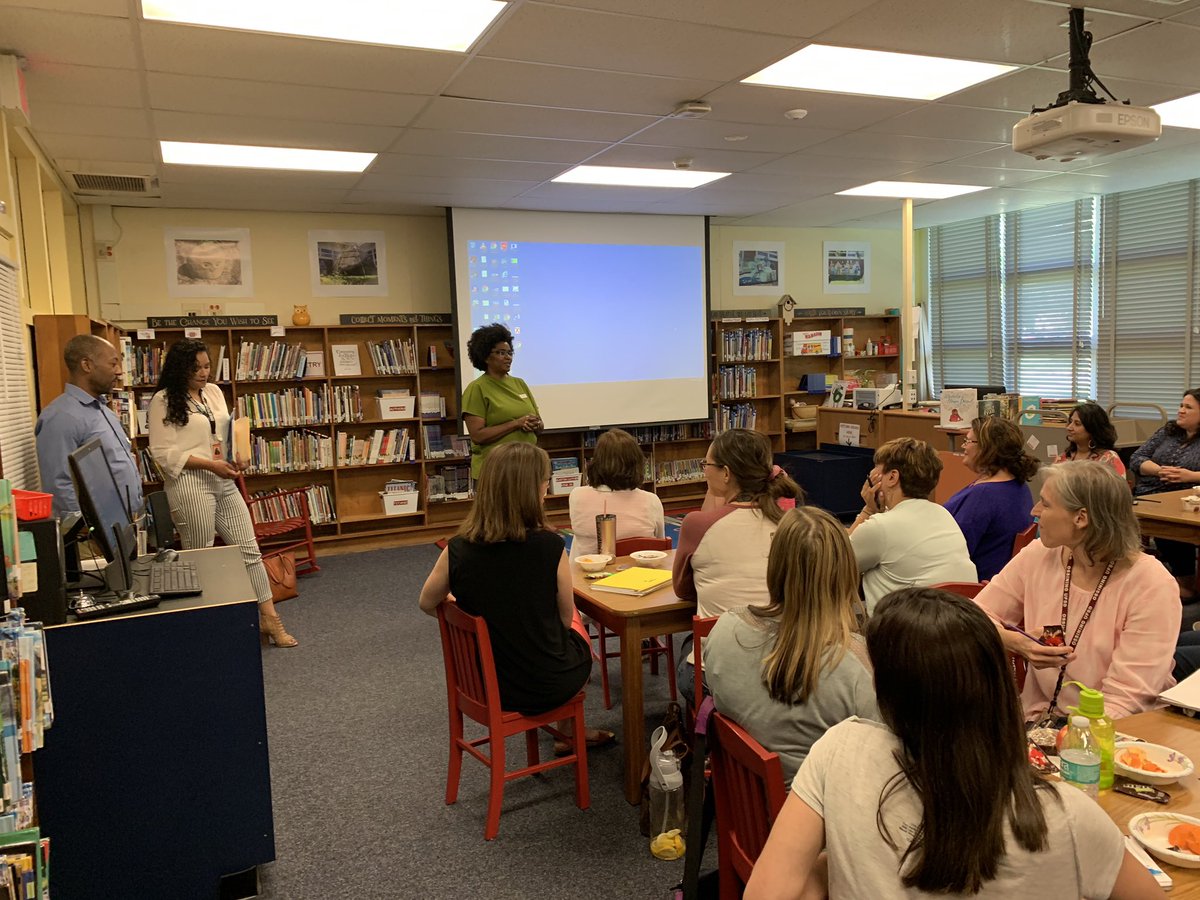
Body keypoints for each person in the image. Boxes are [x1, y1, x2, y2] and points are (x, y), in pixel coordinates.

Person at [745, 586, 1163, 900]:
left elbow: (766, 893)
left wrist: (836, 861)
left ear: (886, 689)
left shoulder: (839, 750)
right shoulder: (1068, 819)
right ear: (1000, 684)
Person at [418, 442, 612, 754]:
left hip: (482, 684)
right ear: (533, 490)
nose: (547, 489)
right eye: (544, 482)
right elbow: (564, 620)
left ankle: (567, 730)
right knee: (576, 622)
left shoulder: (457, 549)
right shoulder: (549, 547)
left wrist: (467, 613)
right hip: (546, 683)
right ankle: (568, 731)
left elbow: (428, 603)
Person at [976, 461, 1179, 721]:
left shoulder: (1151, 584)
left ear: (1081, 518)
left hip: (1116, 733)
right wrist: (1016, 642)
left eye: (1046, 504)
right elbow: (975, 616)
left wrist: (1069, 743)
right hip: (1040, 720)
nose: (1034, 511)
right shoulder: (1040, 555)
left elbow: (1127, 698)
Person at [702, 506, 877, 788]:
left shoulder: (725, 628)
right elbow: (878, 758)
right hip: (819, 819)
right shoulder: (854, 664)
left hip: (746, 802)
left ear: (774, 565)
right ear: (845, 572)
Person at [147, 339, 297, 648]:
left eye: (206, 366)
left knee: (249, 550)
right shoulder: (163, 400)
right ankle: (204, 625)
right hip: (190, 483)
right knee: (201, 554)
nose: (203, 373)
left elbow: (223, 432)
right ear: (180, 369)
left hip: (223, 479)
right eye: (196, 368)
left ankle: (270, 619)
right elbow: (162, 453)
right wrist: (210, 465)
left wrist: (234, 455)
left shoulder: (213, 392)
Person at [672, 428, 803, 701]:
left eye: (707, 464)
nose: (704, 470)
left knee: (688, 648)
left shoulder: (697, 524)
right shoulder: (792, 523)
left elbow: (683, 590)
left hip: (721, 668)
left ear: (727, 474)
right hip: (787, 663)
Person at [849, 437, 976, 612]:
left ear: (892, 477)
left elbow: (836, 562)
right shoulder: (943, 513)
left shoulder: (880, 527)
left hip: (908, 630)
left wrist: (868, 511)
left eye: (875, 473)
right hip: (954, 622)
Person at [35, 334, 143, 520]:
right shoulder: (61, 416)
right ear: (87, 365)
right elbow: (59, 483)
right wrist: (87, 530)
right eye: (113, 364)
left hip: (127, 520)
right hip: (97, 535)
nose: (119, 372)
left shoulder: (101, 408)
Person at [944, 416, 1038, 581]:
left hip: (970, 585)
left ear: (987, 448)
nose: (963, 446)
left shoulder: (984, 495)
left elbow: (953, 552)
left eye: (968, 441)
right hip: (998, 579)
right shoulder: (1018, 485)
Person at [1130, 390, 1200, 599]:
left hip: (1183, 500)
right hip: (1147, 494)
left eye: (1188, 407)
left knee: (1174, 529)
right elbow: (1137, 457)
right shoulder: (1168, 432)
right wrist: (1159, 470)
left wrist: (1191, 476)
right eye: (1181, 405)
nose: (1181, 411)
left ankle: (1184, 583)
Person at [568, 428, 664, 561]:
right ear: (636, 464)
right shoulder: (651, 501)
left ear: (596, 462)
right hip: (639, 576)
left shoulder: (577, 496)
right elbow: (660, 545)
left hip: (587, 574)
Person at [461, 323, 542, 480]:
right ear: (485, 356)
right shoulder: (477, 388)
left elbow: (540, 424)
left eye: (510, 353)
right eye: (501, 353)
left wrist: (535, 424)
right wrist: (516, 424)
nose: (508, 357)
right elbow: (477, 435)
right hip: (496, 471)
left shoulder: (520, 383)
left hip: (526, 466)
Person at [1055, 402, 1126, 476]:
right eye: (1070, 422)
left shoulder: (1109, 459)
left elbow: (1118, 487)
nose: (1069, 427)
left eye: (1077, 424)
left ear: (1092, 429)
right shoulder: (1063, 458)